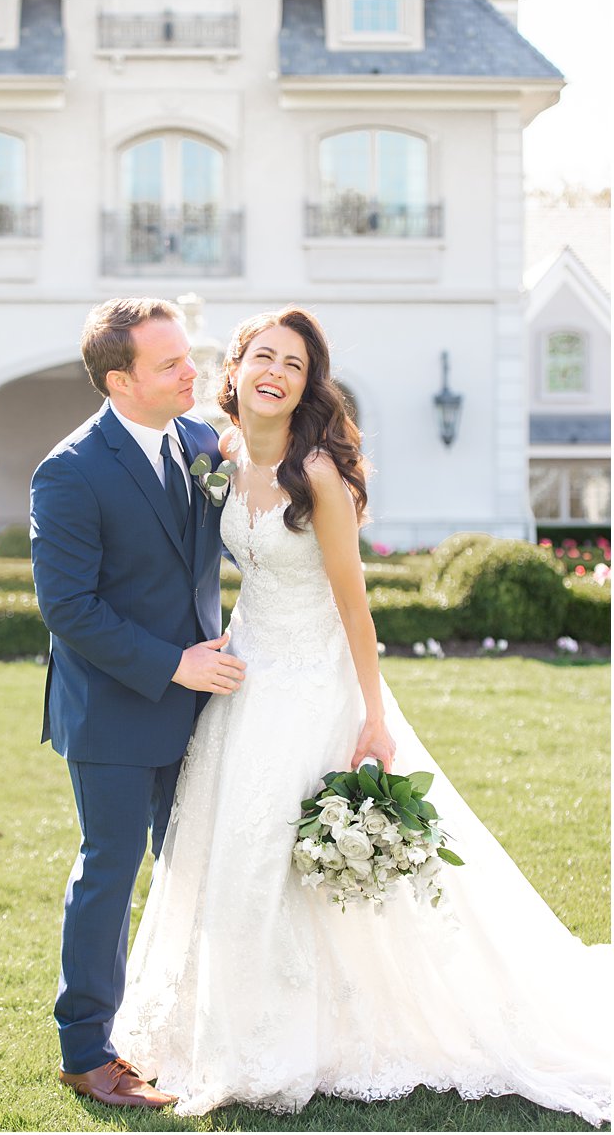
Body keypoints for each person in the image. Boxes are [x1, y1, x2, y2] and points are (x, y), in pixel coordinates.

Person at [112, 306, 612, 1124]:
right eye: (263, 356)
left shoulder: (318, 476)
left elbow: (356, 611)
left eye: (295, 365)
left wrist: (375, 721)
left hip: (315, 685)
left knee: (285, 858)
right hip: (244, 679)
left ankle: (297, 1039)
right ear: (233, 371)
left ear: (309, 385)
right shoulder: (221, 455)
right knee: (230, 856)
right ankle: (229, 1028)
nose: (276, 372)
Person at [30, 297, 244, 1110]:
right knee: (109, 874)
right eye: (170, 364)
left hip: (207, 705)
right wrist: (173, 666)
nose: (194, 371)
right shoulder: (69, 469)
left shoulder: (200, 444)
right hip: (115, 711)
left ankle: (194, 1025)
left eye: (189, 355)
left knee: (197, 866)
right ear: (120, 380)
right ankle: (87, 1051)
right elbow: (68, 608)